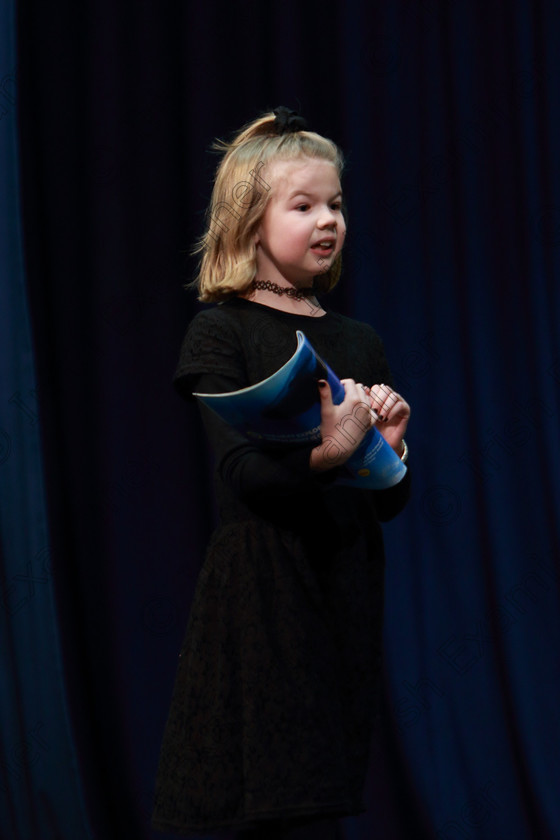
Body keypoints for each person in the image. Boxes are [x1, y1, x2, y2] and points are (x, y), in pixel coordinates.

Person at [152, 107, 411, 840]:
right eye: (304, 206)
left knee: (323, 796)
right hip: (265, 590)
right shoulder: (222, 328)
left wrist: (389, 449)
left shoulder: (358, 340)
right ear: (249, 219)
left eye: (336, 204)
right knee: (270, 804)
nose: (328, 220)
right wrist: (329, 452)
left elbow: (391, 504)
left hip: (345, 585)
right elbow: (247, 477)